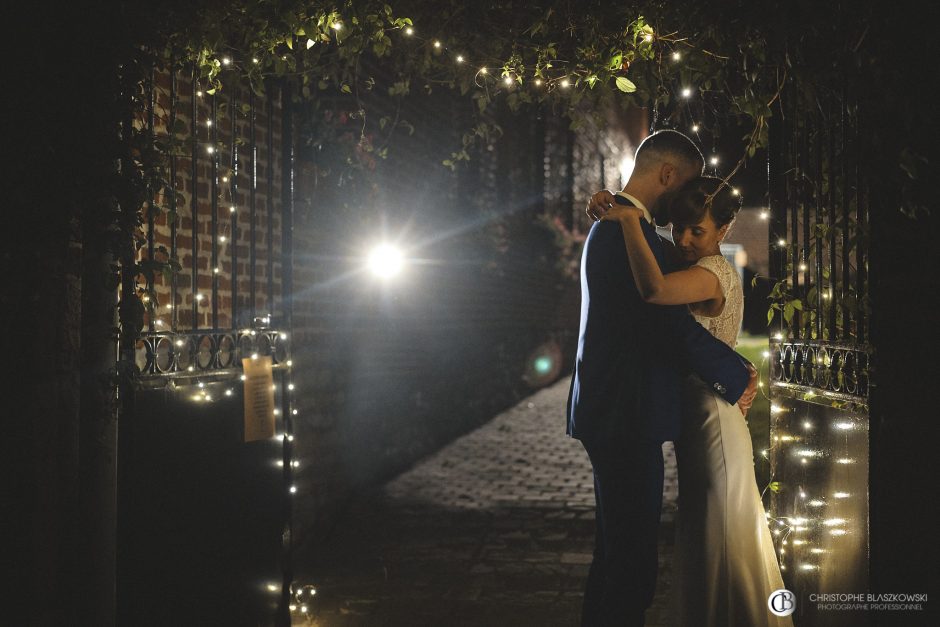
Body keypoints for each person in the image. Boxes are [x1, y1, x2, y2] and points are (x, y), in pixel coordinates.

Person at [566, 129, 758, 627]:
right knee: (631, 566)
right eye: (685, 186)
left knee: (617, 555)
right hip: (625, 414)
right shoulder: (626, 231)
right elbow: (670, 326)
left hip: (617, 410)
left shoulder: (622, 227)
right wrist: (736, 373)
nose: (686, 204)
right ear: (668, 174)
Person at [592, 176, 792, 627]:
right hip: (700, 417)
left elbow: (655, 290)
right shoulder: (691, 263)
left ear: (723, 231)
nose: (683, 239)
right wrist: (611, 203)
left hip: (712, 420)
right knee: (707, 531)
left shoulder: (710, 274)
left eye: (696, 231)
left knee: (719, 531)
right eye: (678, 227)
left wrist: (625, 217)